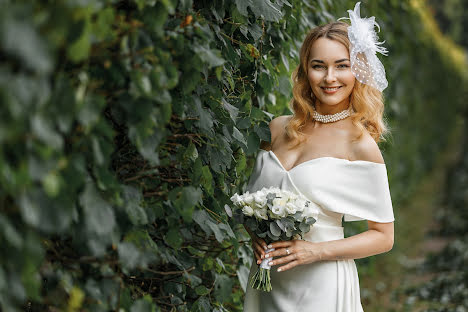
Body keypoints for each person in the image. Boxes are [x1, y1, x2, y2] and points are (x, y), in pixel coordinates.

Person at [242, 3, 395, 311]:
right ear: (305, 70)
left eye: (342, 65)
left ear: (358, 71)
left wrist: (316, 251)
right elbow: (252, 203)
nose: (329, 78)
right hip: (269, 279)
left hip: (321, 283)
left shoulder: (359, 145)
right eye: (318, 65)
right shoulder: (275, 129)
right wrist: (255, 235)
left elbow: (383, 236)